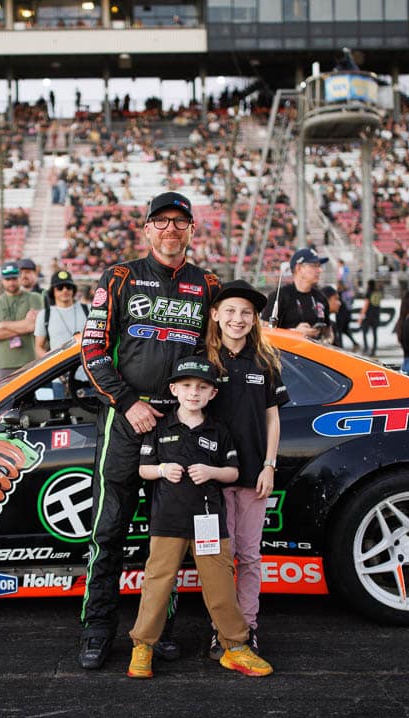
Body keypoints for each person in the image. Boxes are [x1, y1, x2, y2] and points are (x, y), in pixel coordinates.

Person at [78, 190, 221, 670]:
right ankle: (98, 628)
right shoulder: (119, 277)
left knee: (169, 537)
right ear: (147, 229)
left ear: (192, 230)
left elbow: (221, 353)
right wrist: (127, 401)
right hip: (125, 421)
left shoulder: (208, 284)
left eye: (180, 222)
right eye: (161, 221)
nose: (170, 229)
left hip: (180, 425)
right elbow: (92, 349)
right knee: (109, 530)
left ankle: (156, 630)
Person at [126, 356, 274, 680]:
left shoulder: (219, 430)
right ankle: (143, 647)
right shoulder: (160, 426)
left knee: (219, 584)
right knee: (157, 583)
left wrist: (211, 471)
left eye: (202, 387)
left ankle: (235, 647)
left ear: (212, 394)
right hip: (167, 520)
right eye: (187, 386)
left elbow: (233, 471)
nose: (194, 393)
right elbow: (143, 469)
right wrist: (163, 469)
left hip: (208, 521)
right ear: (174, 389)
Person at [205, 280, 288, 658]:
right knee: (218, 557)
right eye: (231, 311)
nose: (238, 319)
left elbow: (273, 420)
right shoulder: (202, 359)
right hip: (210, 480)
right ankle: (221, 627)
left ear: (254, 319)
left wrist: (269, 466)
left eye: (247, 313)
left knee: (250, 555)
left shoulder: (265, 361)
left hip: (254, 476)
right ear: (215, 315)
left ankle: (248, 627)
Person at [0, 262, 40, 381]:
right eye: (7, 279)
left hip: (29, 361)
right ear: (2, 280)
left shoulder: (33, 298)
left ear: (19, 277)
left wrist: (3, 325)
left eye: (14, 278)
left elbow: (33, 326)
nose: (11, 282)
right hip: (4, 363)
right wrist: (23, 327)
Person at [263, 248, 332, 341]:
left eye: (320, 266)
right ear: (298, 268)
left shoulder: (320, 298)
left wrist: (325, 339)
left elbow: (329, 333)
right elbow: (265, 334)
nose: (320, 270)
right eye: (315, 265)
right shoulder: (279, 296)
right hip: (286, 354)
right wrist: (294, 332)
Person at [35, 269, 88, 356]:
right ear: (53, 291)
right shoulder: (44, 315)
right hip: (62, 368)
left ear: (73, 290)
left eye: (68, 287)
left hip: (86, 367)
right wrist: (51, 363)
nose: (65, 290)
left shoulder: (88, 309)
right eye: (60, 287)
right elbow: (39, 347)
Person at [357, 279, 383, 356]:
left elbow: (366, 305)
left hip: (369, 315)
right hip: (376, 315)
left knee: (364, 332)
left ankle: (366, 348)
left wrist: (361, 316)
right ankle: (374, 350)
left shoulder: (369, 292)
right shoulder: (378, 292)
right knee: (375, 333)